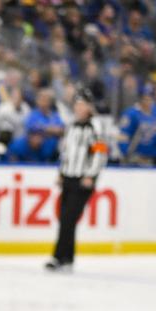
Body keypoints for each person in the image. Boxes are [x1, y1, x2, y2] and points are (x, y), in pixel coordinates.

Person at [46, 91, 108, 272]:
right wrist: (61, 172)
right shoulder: (71, 126)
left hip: (83, 179)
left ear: (89, 107)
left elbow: (100, 152)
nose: (79, 108)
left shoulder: (95, 127)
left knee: (68, 218)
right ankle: (67, 258)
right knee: (66, 219)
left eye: (83, 104)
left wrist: (91, 175)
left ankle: (58, 257)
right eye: (77, 104)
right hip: (68, 177)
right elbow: (66, 152)